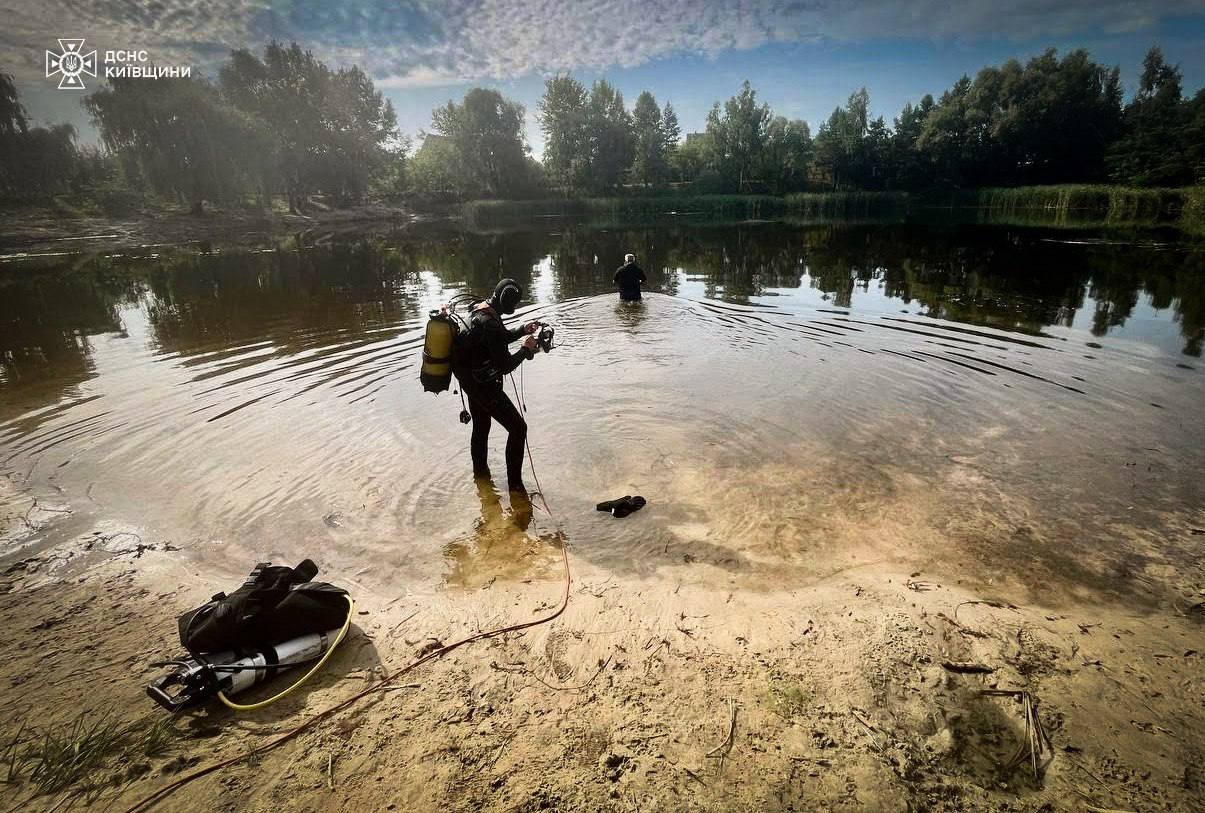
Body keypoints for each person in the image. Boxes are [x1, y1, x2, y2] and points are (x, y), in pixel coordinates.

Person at [454, 278, 540, 493]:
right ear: (508, 302)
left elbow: (497, 338)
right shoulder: (490, 323)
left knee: (481, 428)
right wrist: (526, 349)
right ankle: (516, 488)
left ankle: (481, 479)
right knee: (518, 428)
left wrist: (521, 330)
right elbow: (505, 366)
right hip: (483, 385)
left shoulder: (480, 309)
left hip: (469, 381)